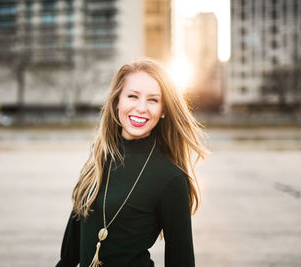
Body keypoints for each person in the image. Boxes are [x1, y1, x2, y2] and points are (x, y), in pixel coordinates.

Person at [56, 58, 209, 267]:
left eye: (153, 100)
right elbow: (68, 256)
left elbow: (181, 260)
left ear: (163, 110)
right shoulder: (99, 157)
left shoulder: (170, 177)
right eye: (133, 96)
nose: (141, 107)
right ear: (117, 100)